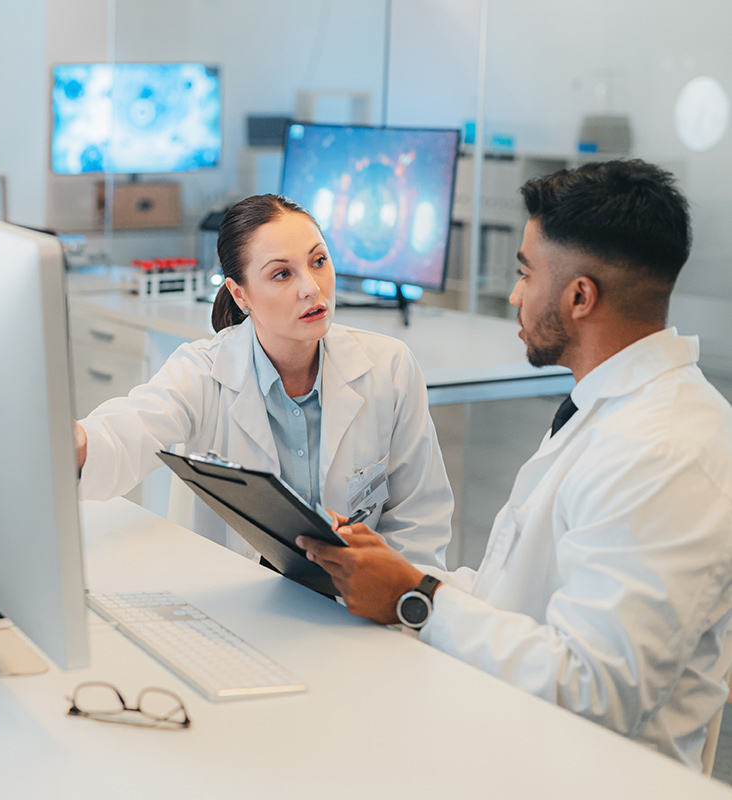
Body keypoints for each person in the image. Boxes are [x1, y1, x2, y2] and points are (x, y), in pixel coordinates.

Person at [297, 159, 732, 770]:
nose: (514, 294)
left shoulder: (665, 449)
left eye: (527, 274)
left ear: (580, 296)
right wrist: (393, 574)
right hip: (512, 737)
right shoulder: (607, 406)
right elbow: (518, 598)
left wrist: (414, 597)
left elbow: (595, 691)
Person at [75, 194, 453, 569]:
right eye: (282, 274)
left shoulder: (389, 368)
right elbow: (126, 432)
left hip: (357, 613)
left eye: (318, 261)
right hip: (235, 608)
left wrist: (399, 603)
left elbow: (419, 522)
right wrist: (72, 443)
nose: (311, 288)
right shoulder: (204, 373)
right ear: (240, 295)